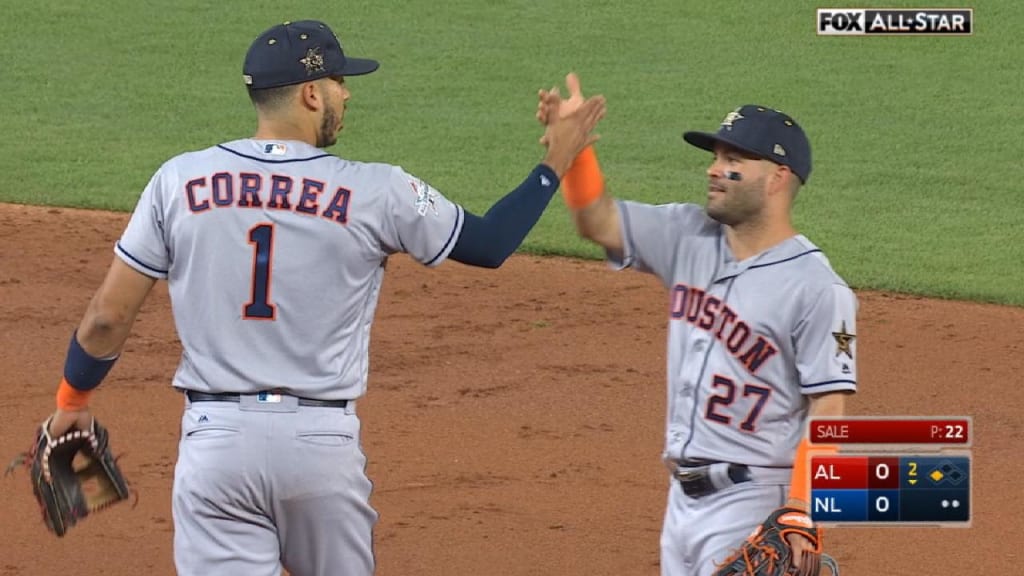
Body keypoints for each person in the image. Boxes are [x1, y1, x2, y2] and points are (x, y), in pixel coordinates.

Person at [40, 21, 605, 576]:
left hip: (215, 443)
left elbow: (106, 320)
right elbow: (488, 245)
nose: (347, 92)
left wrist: (72, 400)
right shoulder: (377, 189)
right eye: (339, 82)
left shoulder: (178, 180)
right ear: (311, 93)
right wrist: (557, 157)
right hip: (319, 445)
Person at [537, 74, 853, 576]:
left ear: (777, 176)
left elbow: (830, 405)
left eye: (733, 161)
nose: (714, 169)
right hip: (681, 504)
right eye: (715, 157)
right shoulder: (687, 233)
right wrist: (575, 152)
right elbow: (598, 222)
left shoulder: (816, 286)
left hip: (754, 504)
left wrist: (802, 507)